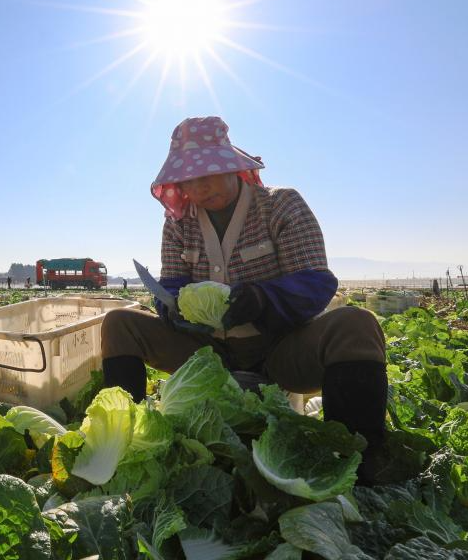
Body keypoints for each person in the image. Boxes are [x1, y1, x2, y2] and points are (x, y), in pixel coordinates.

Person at [100, 116, 388, 484]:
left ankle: (360, 461)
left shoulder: (281, 205)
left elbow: (315, 281)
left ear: (232, 166)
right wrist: (172, 309)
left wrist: (263, 299)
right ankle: (124, 445)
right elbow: (171, 283)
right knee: (119, 324)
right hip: (206, 354)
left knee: (356, 325)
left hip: (279, 349)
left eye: (209, 174)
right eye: (189, 179)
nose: (200, 187)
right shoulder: (178, 223)